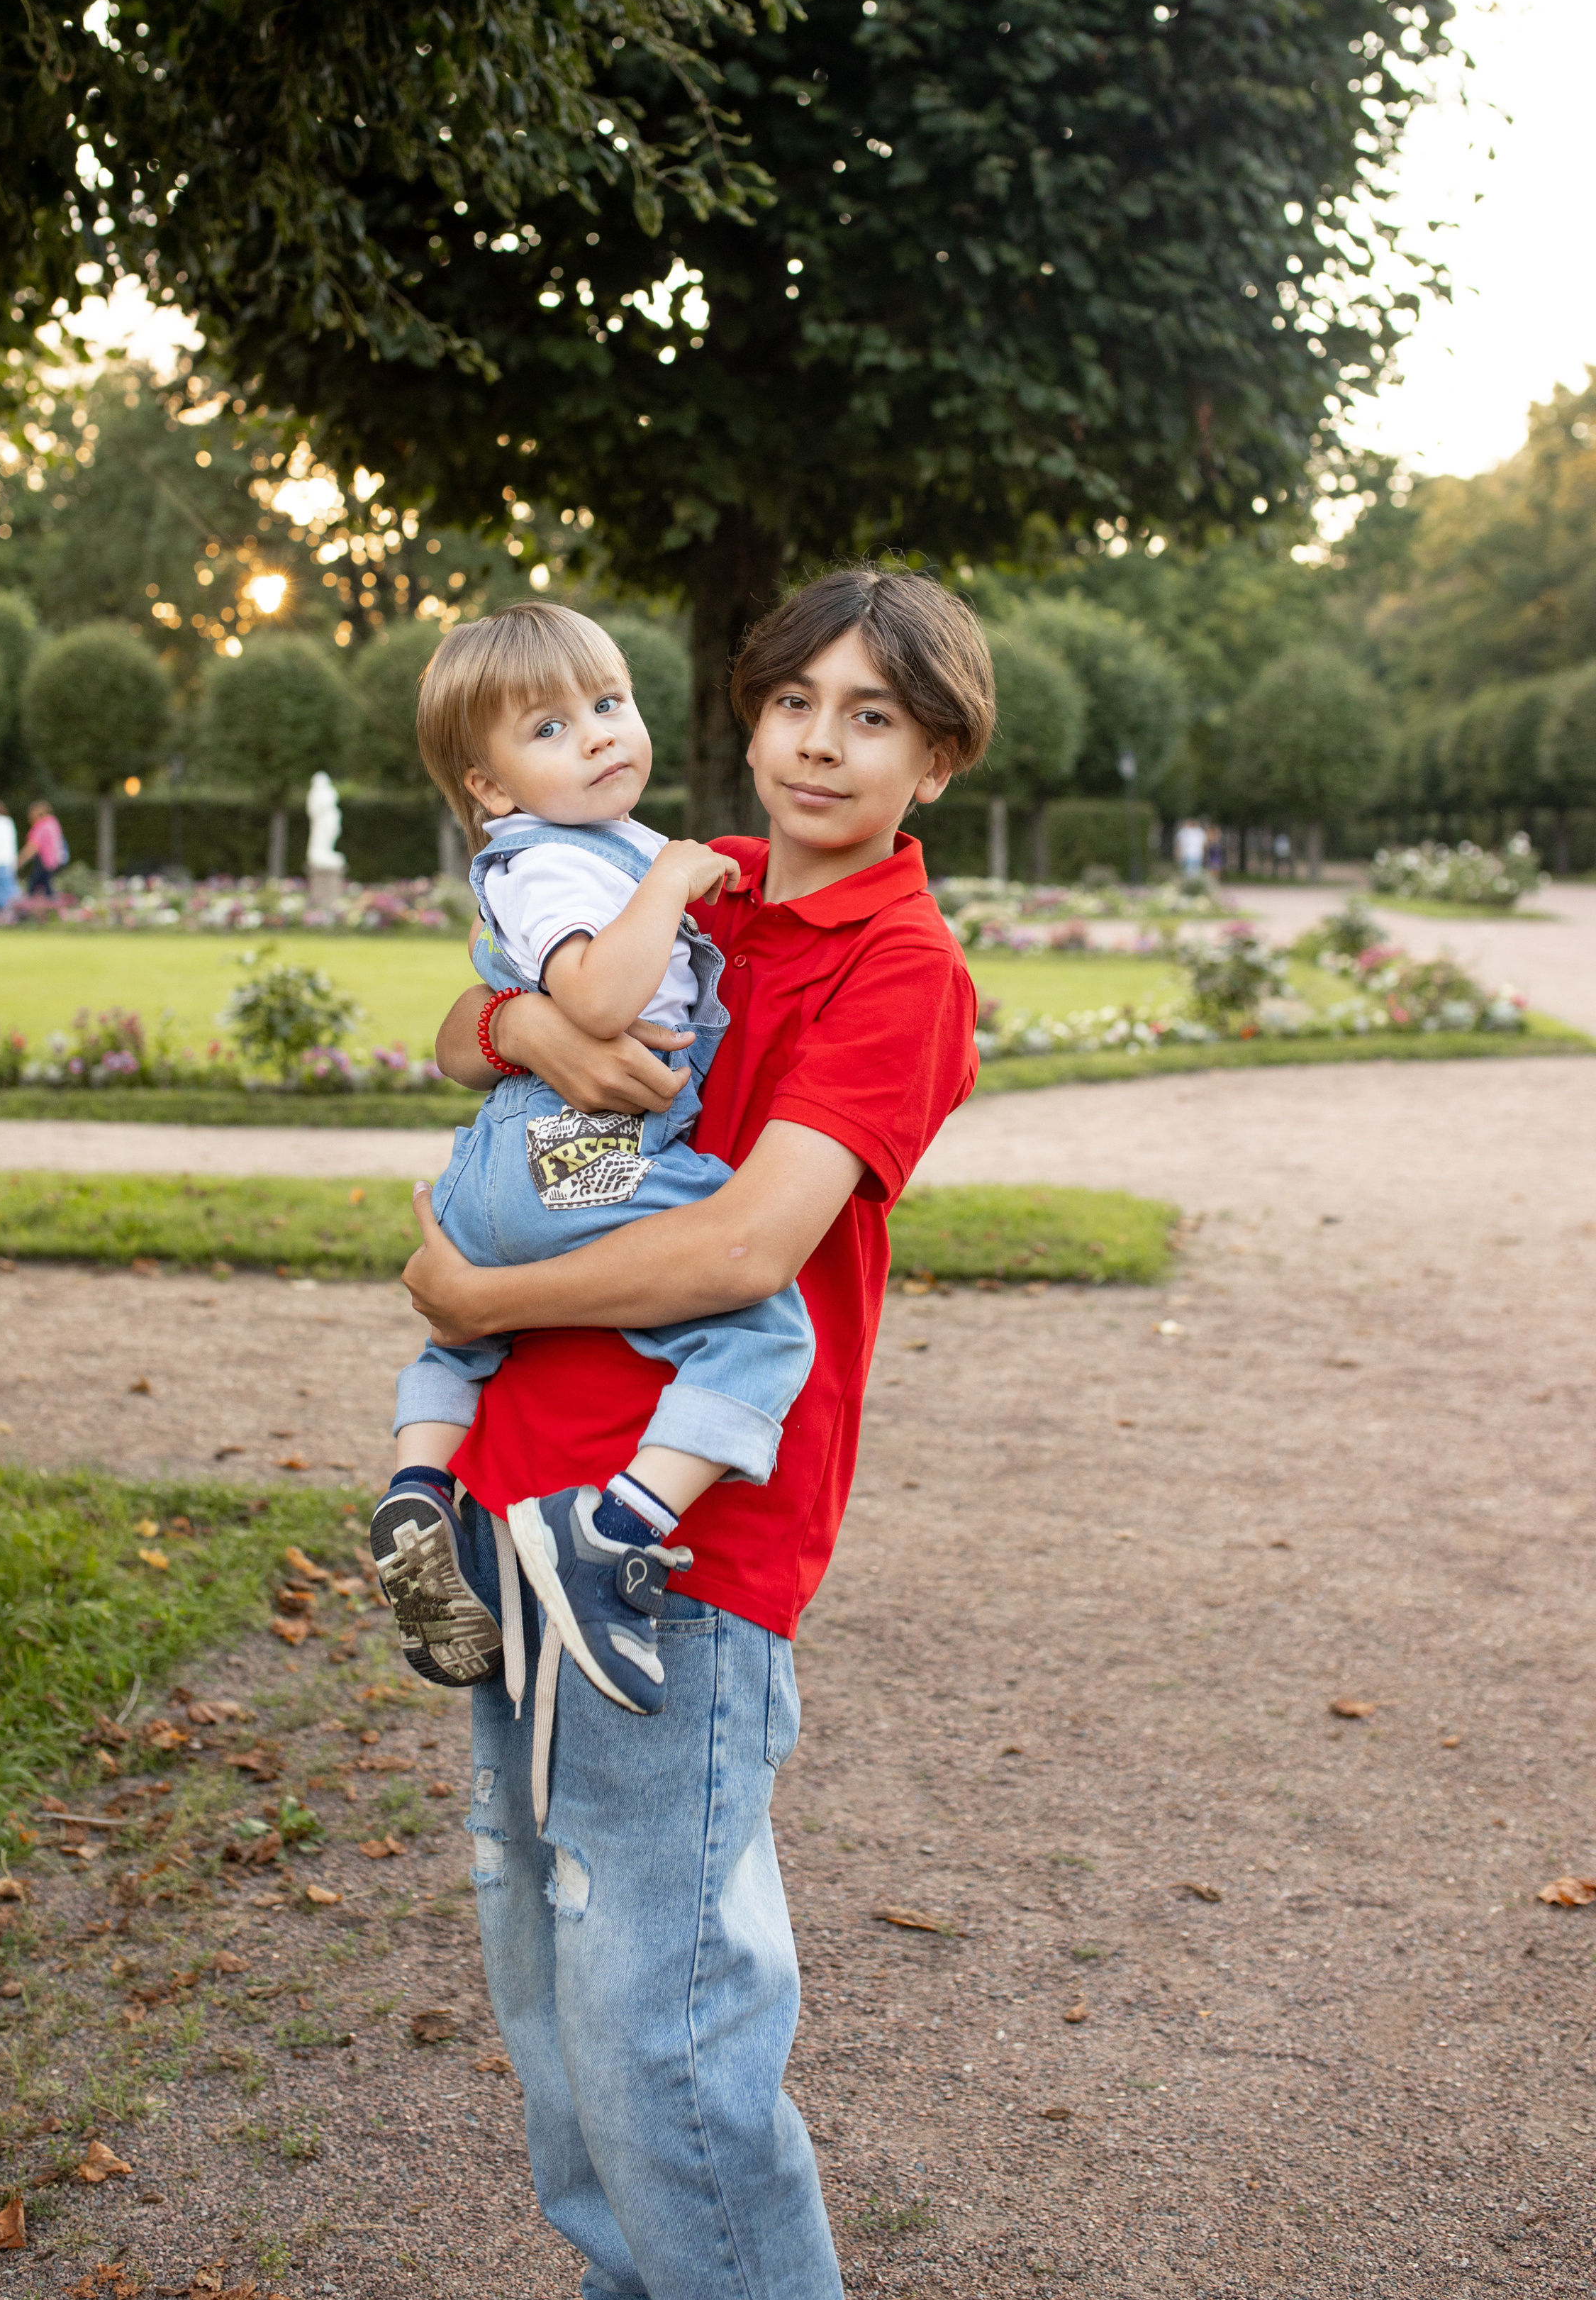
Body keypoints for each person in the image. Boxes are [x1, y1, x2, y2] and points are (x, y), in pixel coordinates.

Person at [396, 567, 990, 2300]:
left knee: (663, 2038)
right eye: (795, 699)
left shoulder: (900, 969)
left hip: (676, 1535)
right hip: (518, 1496)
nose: (818, 741)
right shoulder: (682, 897)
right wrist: (515, 1027)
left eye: (870, 714)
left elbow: (744, 1251)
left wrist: (470, 1299)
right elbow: (466, 1031)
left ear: (933, 760)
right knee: (561, 2026)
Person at [374, 604, 817, 1716]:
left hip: (502, 1167)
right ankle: (617, 1529)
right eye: (552, 727)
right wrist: (666, 883)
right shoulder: (561, 866)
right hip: (580, 1157)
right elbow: (602, 997)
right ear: (488, 786)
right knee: (765, 1324)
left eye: (609, 705)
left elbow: (488, 1020)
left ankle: (417, 1484)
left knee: (470, 1333)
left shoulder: (577, 850)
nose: (601, 735)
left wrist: (512, 1022)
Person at [19, 799, 67, 899]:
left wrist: (19, 862)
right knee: (45, 887)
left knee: (33, 888)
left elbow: (32, 847)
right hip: (57, 861)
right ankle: (53, 909)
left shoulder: (41, 826)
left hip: (46, 863)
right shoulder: (53, 822)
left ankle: (26, 910)